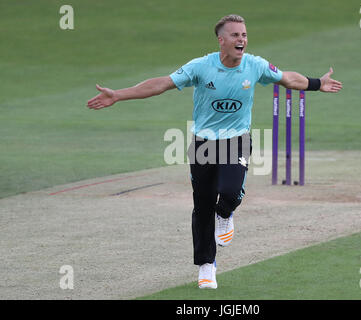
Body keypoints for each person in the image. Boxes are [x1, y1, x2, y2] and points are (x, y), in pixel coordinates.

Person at [87, 14, 342, 289]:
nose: (241, 39)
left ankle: (226, 213)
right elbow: (161, 84)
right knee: (203, 204)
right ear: (221, 40)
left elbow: (287, 78)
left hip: (237, 140)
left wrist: (317, 83)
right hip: (203, 143)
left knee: (230, 193)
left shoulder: (254, 65)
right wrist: (119, 95)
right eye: (235, 35)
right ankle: (207, 266)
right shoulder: (201, 67)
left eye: (244, 35)